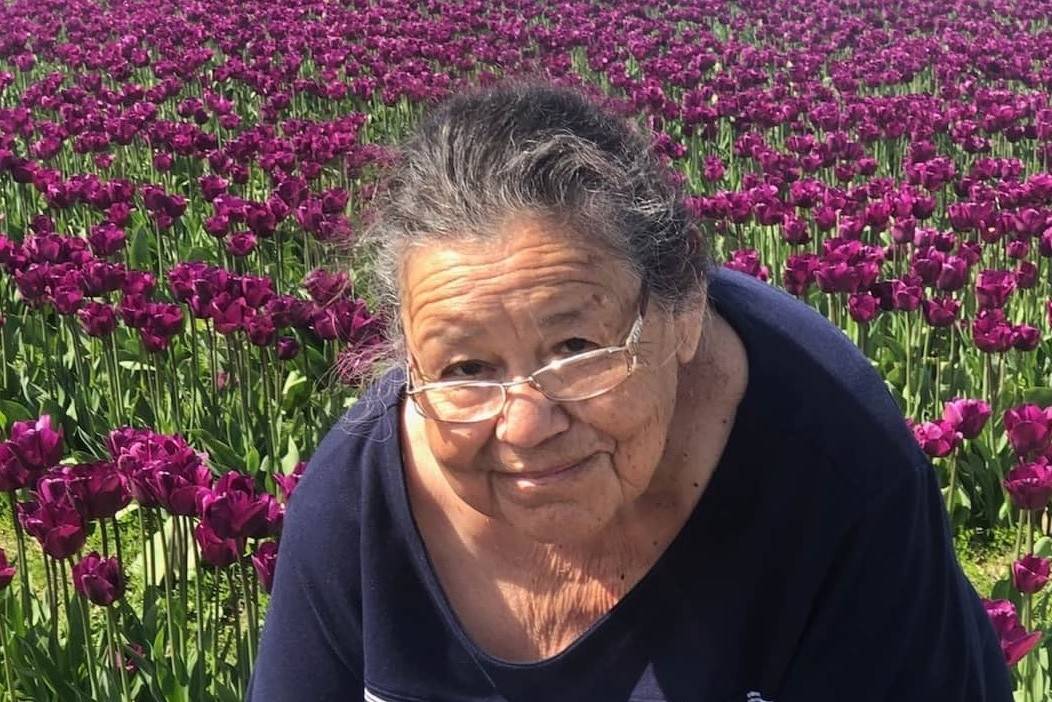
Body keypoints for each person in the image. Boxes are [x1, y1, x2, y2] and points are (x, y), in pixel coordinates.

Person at [247, 81, 1013, 701]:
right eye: (466, 368)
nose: (525, 425)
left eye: (576, 349)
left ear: (681, 309)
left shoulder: (835, 469)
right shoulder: (360, 500)